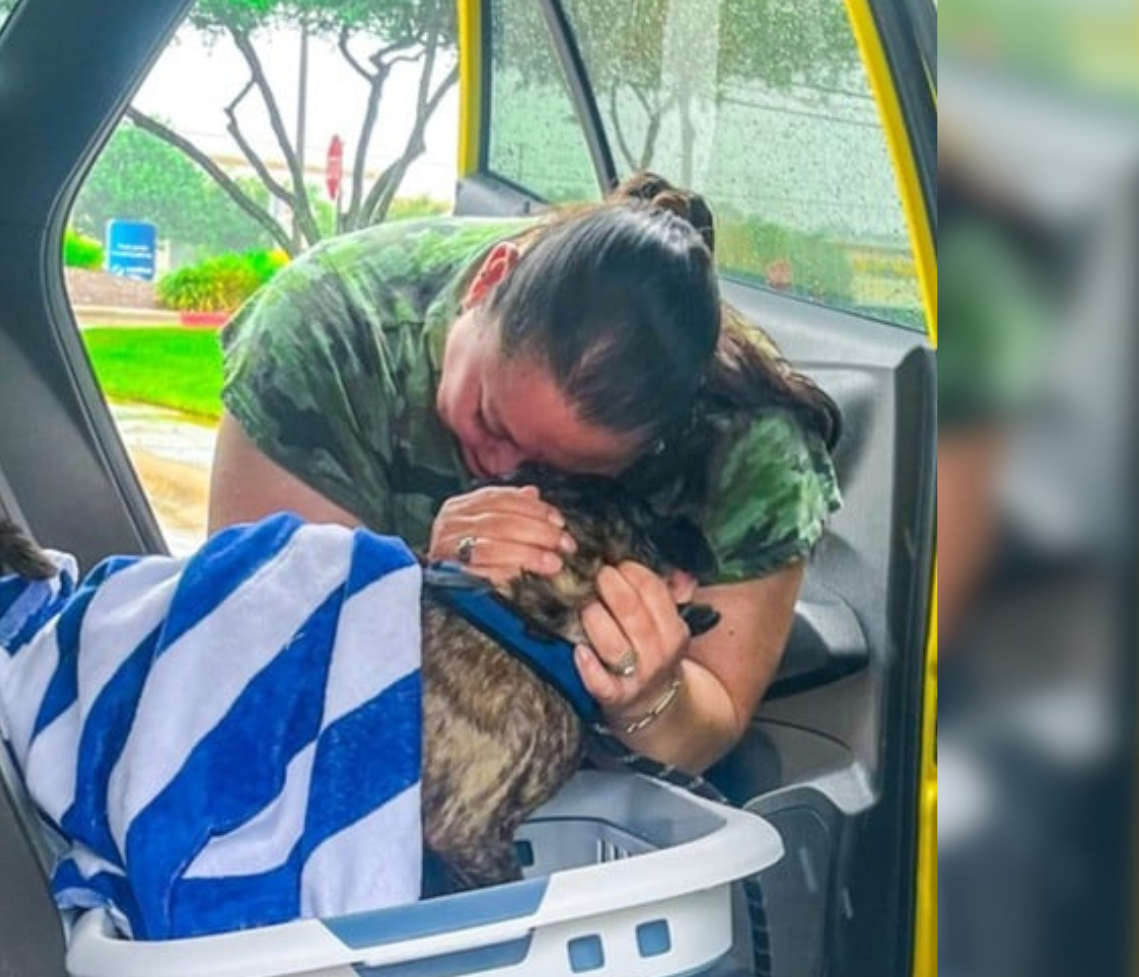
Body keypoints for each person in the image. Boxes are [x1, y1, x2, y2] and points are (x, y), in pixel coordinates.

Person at [208, 174, 842, 772]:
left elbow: (711, 723)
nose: (503, 474)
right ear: (489, 281)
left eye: (558, 472)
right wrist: (415, 578)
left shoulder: (752, 444)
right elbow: (252, 657)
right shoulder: (324, 337)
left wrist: (653, 695)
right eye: (491, 418)